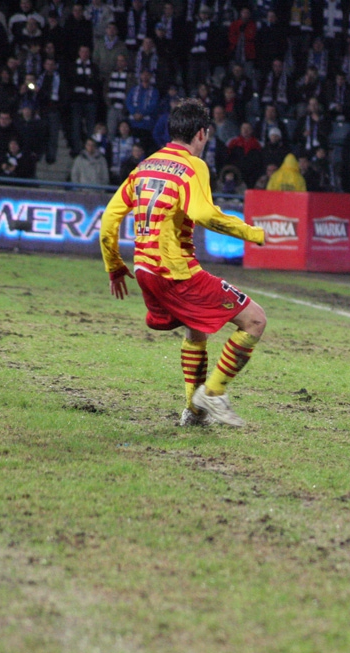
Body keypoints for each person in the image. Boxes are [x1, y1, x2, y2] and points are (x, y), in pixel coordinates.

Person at [100, 99, 267, 428]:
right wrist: (251, 232)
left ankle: (193, 411)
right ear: (202, 134)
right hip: (173, 271)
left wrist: (115, 265)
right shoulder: (193, 166)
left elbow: (109, 219)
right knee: (255, 321)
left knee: (196, 330)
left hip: (146, 270)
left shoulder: (145, 165)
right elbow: (204, 215)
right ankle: (212, 394)